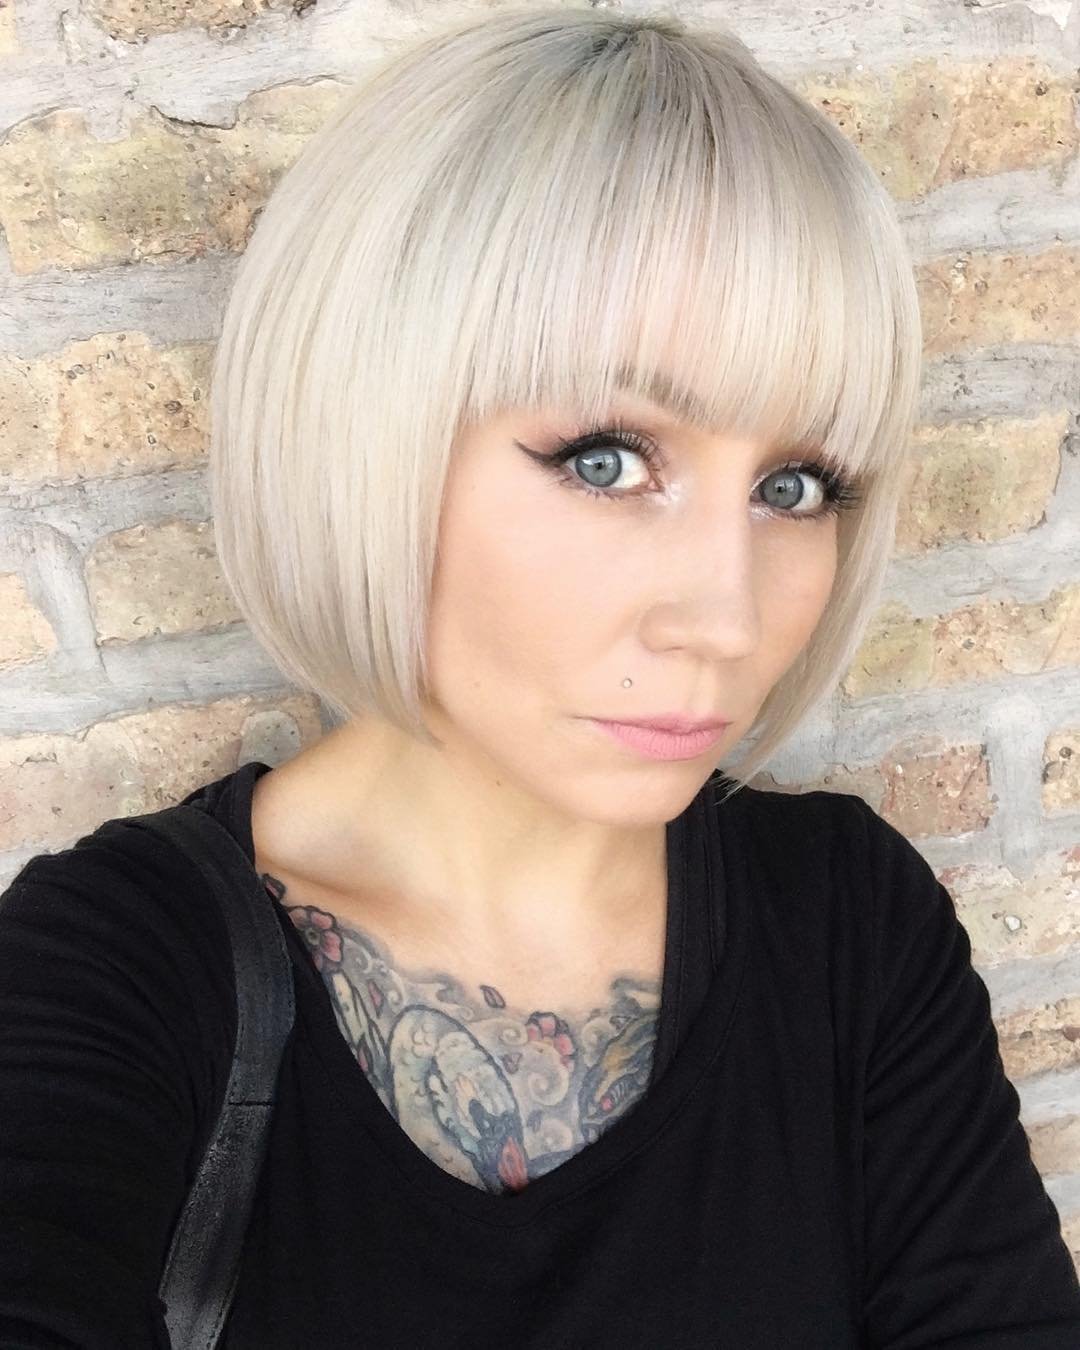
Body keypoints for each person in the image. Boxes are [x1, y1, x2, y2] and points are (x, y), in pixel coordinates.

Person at [1, 5, 1077, 1346]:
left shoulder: (851, 928)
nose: (727, 616)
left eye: (795, 486)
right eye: (607, 460)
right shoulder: (116, 967)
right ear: (368, 436)